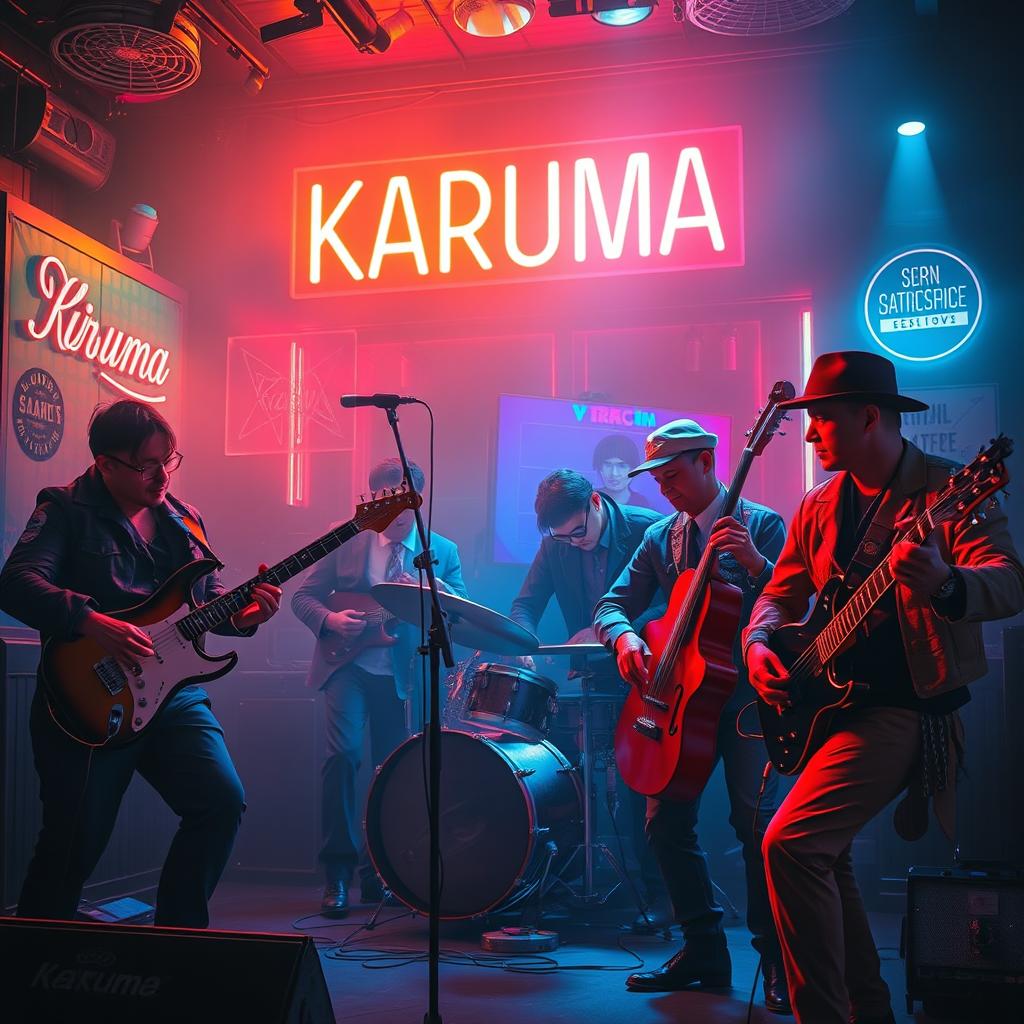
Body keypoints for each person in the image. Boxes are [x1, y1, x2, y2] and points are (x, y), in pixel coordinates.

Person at [743, 351, 1024, 1024]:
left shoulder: (949, 490)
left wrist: (947, 584)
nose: (809, 436)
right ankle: (868, 1012)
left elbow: (1011, 581)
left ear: (870, 417)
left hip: (905, 711)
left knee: (791, 845)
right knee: (825, 857)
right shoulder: (816, 507)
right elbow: (777, 599)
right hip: (829, 710)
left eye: (823, 421)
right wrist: (758, 644)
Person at [0, 400, 281, 928]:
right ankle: (29, 971)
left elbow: (209, 602)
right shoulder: (64, 509)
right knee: (72, 844)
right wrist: (90, 621)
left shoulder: (184, 518)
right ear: (105, 464)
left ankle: (173, 944)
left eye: (169, 461)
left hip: (173, 697)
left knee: (221, 803)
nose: (161, 476)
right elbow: (15, 583)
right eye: (147, 464)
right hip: (89, 697)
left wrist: (245, 618)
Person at [594, 418, 790, 1014]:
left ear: (708, 461)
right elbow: (612, 604)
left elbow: (797, 607)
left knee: (757, 831)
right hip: (682, 704)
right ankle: (703, 949)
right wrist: (625, 640)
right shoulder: (661, 537)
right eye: (657, 479)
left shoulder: (762, 525)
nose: (664, 489)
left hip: (747, 705)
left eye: (673, 475)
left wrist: (757, 566)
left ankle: (779, 962)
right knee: (663, 823)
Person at [292, 457, 467, 918]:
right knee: (343, 757)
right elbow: (302, 597)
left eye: (408, 503)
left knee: (393, 772)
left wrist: (436, 588)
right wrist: (329, 619)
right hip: (345, 666)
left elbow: (462, 611)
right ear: (373, 499)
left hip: (402, 673)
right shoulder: (344, 537)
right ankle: (337, 875)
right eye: (390, 502)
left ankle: (382, 874)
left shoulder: (440, 550)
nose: (400, 514)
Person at [509, 469, 669, 927]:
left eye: (579, 532)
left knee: (645, 784)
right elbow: (526, 604)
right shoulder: (556, 542)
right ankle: (575, 879)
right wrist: (524, 643)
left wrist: (616, 629)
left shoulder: (647, 527)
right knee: (575, 780)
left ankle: (658, 895)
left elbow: (675, 598)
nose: (574, 542)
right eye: (563, 538)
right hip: (589, 677)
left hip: (646, 671)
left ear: (596, 502)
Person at [592, 434, 652, 508]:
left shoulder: (642, 505)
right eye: (608, 465)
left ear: (633, 469)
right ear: (600, 468)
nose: (614, 473)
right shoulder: (588, 500)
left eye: (622, 466)